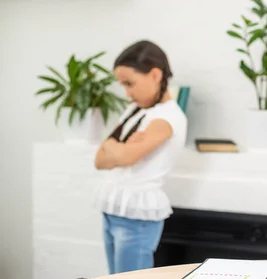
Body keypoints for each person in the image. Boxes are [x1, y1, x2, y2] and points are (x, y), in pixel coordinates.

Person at [93, 40, 188, 274]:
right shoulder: (135, 110)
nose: (127, 92)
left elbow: (124, 157)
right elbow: (99, 160)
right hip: (113, 209)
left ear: (155, 74)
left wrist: (115, 147)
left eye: (130, 83)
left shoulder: (167, 117)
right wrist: (120, 148)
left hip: (137, 216)